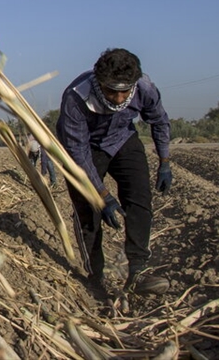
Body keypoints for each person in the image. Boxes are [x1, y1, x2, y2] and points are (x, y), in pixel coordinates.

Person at [56, 48, 174, 297]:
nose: (119, 99)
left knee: (139, 199)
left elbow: (160, 121)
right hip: (86, 148)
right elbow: (78, 153)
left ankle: (138, 270)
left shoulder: (144, 88)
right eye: (111, 91)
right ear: (99, 83)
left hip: (122, 139)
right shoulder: (76, 98)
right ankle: (94, 276)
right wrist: (103, 196)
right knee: (88, 209)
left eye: (124, 92)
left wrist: (164, 161)